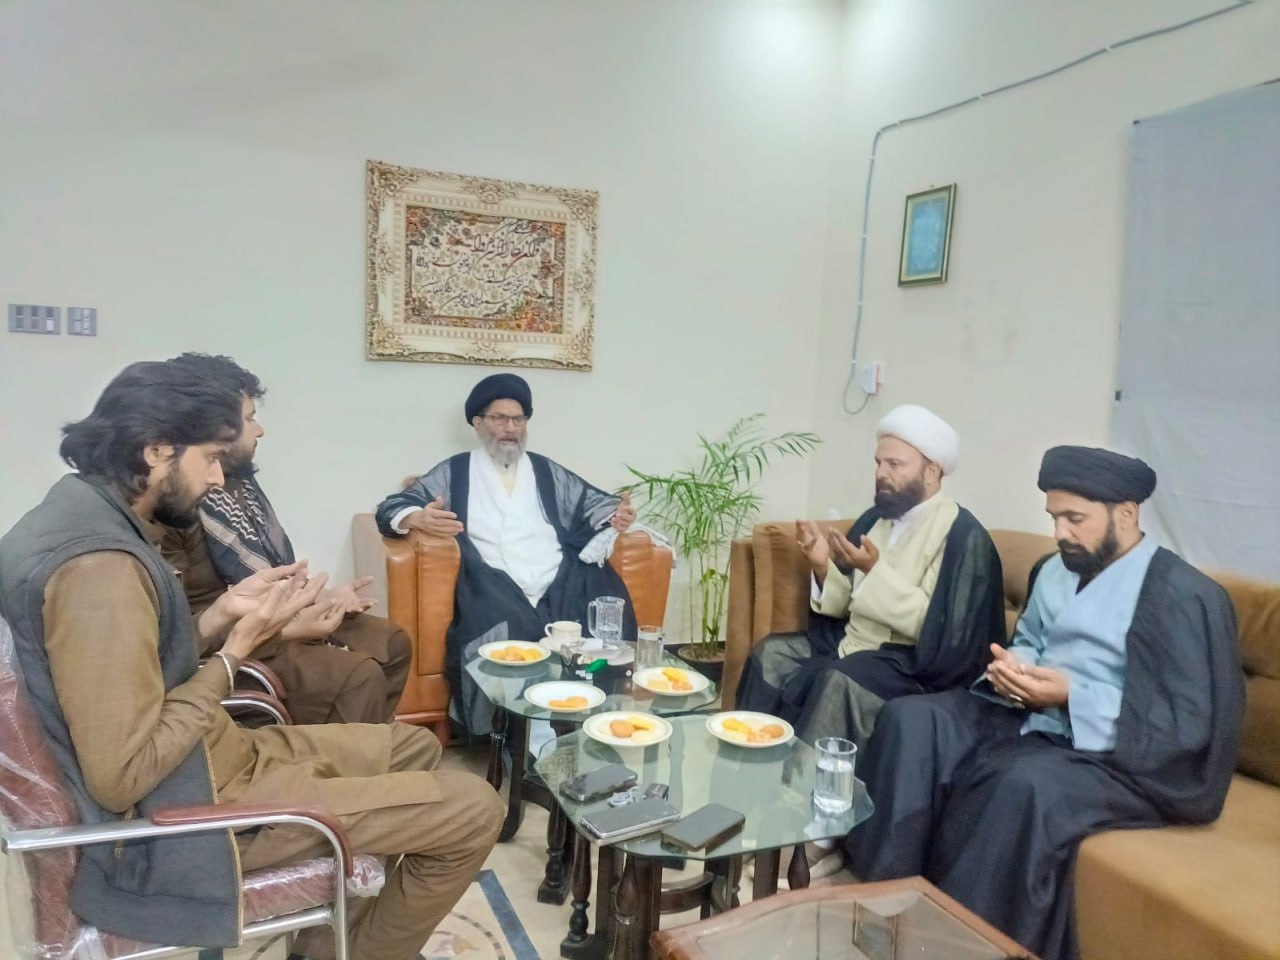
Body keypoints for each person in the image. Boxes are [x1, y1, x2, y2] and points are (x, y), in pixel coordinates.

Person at [0, 361, 502, 960]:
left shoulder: (79, 513)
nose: (218, 477)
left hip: (207, 761)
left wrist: (216, 619)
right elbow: (122, 776)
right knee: (476, 808)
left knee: (412, 747)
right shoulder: (98, 571)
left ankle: (328, 944)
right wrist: (235, 651)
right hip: (186, 822)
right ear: (157, 450)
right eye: (211, 457)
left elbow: (126, 670)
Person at [848, 446, 1243, 960]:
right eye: (1054, 517)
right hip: (1030, 710)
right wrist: (1015, 668)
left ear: (1126, 514)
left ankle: (959, 945)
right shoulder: (1054, 569)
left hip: (1120, 752)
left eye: (1074, 519)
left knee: (1022, 785)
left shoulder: (1182, 595)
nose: (1060, 533)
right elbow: (1032, 638)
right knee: (913, 721)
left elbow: (1183, 720)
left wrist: (1071, 695)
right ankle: (886, 907)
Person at [375, 372, 638, 736]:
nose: (510, 428)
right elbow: (393, 506)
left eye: (518, 419)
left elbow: (593, 504)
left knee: (596, 619)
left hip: (556, 573)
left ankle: (594, 722)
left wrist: (616, 516)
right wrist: (416, 517)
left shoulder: (544, 469)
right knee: (503, 628)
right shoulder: (456, 471)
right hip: (493, 577)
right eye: (500, 418)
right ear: (478, 423)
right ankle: (522, 734)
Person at [161, 353, 411, 725]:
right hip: (225, 645)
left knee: (392, 642)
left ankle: (374, 746)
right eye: (249, 419)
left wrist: (321, 598)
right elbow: (177, 634)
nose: (259, 430)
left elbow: (271, 572)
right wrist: (292, 628)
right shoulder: (175, 504)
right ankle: (333, 758)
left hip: (271, 619)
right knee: (357, 676)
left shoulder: (239, 487)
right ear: (214, 429)